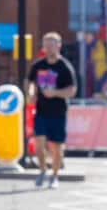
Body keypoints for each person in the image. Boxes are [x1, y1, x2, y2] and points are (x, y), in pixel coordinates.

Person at [26, 32, 77, 189]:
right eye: (46, 45)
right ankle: (42, 170)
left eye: (51, 45)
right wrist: (30, 94)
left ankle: (55, 176)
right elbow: (28, 80)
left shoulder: (65, 67)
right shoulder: (38, 65)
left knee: (56, 147)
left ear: (59, 46)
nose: (48, 48)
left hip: (58, 112)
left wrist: (55, 93)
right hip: (41, 111)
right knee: (39, 145)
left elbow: (72, 90)